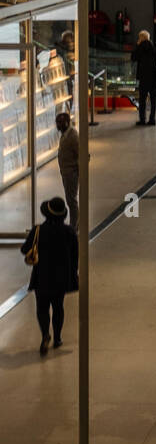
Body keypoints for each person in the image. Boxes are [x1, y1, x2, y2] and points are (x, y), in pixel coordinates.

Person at [20, 197, 78, 355]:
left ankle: (45, 334)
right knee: (58, 307)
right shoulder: (69, 232)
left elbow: (25, 249)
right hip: (61, 278)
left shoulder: (38, 230)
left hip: (42, 276)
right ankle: (58, 338)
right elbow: (75, 256)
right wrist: (73, 274)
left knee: (42, 307)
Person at [131, 29, 156, 126]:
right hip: (154, 77)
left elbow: (133, 58)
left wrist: (137, 45)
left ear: (141, 38)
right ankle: (152, 119)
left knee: (142, 100)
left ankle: (142, 119)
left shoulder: (140, 48)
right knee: (153, 100)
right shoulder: (155, 47)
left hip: (143, 78)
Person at [55, 111, 79, 232]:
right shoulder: (65, 134)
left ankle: (74, 225)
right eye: (57, 122)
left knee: (71, 200)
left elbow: (82, 154)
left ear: (66, 122)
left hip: (71, 173)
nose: (58, 125)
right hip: (65, 172)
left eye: (60, 123)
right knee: (70, 199)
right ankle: (75, 223)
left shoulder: (72, 136)